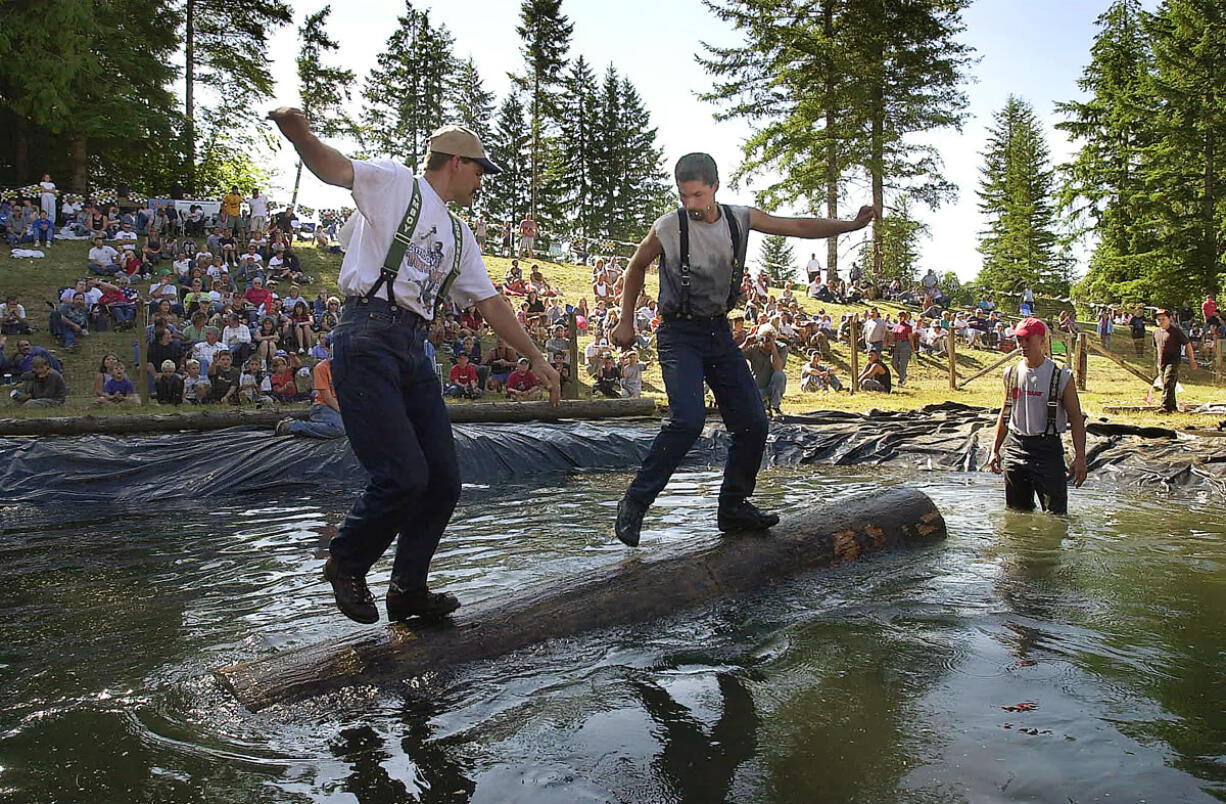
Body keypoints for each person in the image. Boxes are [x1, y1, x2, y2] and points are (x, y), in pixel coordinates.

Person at [269, 108, 560, 625]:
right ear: (454, 163)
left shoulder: (458, 233)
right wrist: (300, 134)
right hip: (366, 336)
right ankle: (346, 561)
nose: (481, 181)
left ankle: (407, 590)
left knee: (443, 479)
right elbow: (333, 168)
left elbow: (492, 304)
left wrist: (537, 358)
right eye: (479, 170)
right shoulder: (397, 185)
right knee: (402, 476)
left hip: (413, 346)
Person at [610, 151, 874, 546]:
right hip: (678, 333)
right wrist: (625, 320)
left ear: (715, 187)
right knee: (687, 421)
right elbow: (635, 267)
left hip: (718, 332)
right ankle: (635, 503)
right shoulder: (669, 226)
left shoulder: (740, 218)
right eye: (684, 196)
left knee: (753, 422)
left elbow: (797, 225)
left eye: (697, 195)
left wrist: (851, 225)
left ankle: (733, 507)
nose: (691, 205)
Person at [987, 317, 1088, 514]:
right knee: (1016, 514)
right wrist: (994, 450)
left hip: (1048, 451)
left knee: (1056, 516)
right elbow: (1006, 412)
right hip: (1016, 448)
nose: (1022, 345)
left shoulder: (1061, 375)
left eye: (1027, 340)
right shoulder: (1012, 373)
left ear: (1042, 341)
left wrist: (1081, 457)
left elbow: (1076, 418)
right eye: (1019, 340)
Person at [277, 356, 346, 438]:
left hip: (343, 405)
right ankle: (292, 426)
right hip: (324, 405)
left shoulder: (351, 368)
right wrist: (344, 412)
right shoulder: (321, 367)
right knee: (338, 429)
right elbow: (327, 397)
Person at [1153, 308, 1196, 413]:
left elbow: (1187, 344)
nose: (1161, 321)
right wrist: (1156, 364)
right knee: (1168, 385)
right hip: (1161, 362)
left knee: (1168, 381)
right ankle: (1172, 407)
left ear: (1169, 319)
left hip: (1173, 361)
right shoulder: (1156, 333)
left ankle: (1165, 407)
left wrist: (1192, 360)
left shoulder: (1175, 331)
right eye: (1159, 319)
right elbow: (1156, 349)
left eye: (1163, 319)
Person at [743, 327, 787, 417]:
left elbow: (778, 367)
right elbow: (734, 356)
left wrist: (773, 349)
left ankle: (775, 407)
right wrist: (746, 344)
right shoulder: (754, 348)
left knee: (779, 375)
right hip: (758, 389)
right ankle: (764, 406)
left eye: (769, 339)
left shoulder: (781, 347)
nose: (766, 342)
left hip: (774, 387)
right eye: (764, 338)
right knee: (758, 411)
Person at [891, 310, 916, 387]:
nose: (899, 317)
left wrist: (913, 348)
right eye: (898, 316)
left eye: (901, 316)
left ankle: (901, 381)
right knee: (894, 363)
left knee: (903, 363)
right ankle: (903, 375)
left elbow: (910, 338)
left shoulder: (908, 327)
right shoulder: (895, 326)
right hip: (897, 345)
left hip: (905, 344)